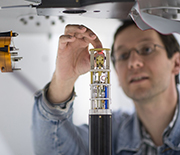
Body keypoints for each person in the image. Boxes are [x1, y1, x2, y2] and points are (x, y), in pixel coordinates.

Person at [32, 20, 180, 154]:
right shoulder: (110, 131)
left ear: (176, 63)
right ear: (116, 74)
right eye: (123, 55)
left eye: (147, 49)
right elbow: (53, 149)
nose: (133, 62)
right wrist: (64, 79)